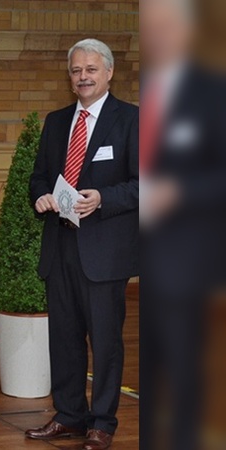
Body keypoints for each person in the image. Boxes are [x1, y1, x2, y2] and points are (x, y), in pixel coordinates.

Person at [25, 39, 138, 450]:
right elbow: (39, 177)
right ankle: (70, 415)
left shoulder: (132, 120)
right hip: (60, 247)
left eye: (91, 69)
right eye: (76, 70)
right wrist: (40, 197)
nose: (83, 76)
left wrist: (104, 198)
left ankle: (102, 423)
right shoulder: (56, 122)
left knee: (105, 343)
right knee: (65, 339)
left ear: (108, 73)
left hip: (104, 253)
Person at [140, 0, 226, 448]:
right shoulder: (142, 91)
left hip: (186, 260)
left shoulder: (212, 93)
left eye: (166, 26)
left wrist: (181, 192)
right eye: (149, 26)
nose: (156, 35)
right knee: (147, 373)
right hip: (134, 257)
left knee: (183, 369)